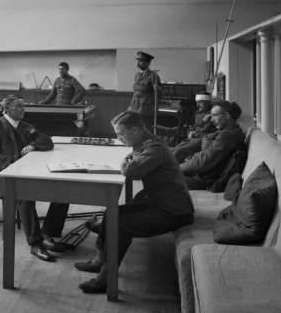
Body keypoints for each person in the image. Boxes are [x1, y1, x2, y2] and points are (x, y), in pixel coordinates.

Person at [75, 110, 194, 294]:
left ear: (136, 130)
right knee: (112, 212)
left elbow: (130, 171)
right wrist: (130, 159)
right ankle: (99, 260)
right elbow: (134, 161)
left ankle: (105, 279)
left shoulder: (154, 149)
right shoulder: (145, 143)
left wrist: (126, 161)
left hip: (174, 210)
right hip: (160, 200)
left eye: (121, 134)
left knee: (121, 225)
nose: (118, 138)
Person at [0, 95, 68, 262]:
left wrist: (33, 145)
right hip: (3, 178)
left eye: (23, 106)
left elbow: (47, 141)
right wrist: (14, 164)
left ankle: (47, 233)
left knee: (62, 191)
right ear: (6, 109)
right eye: (18, 106)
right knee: (24, 196)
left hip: (28, 175)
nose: (23, 109)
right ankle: (35, 244)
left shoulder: (26, 126)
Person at [178, 99, 245, 189]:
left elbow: (203, 162)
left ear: (226, 115)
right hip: (201, 174)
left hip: (202, 179)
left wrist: (176, 168)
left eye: (214, 116)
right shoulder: (228, 132)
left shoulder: (228, 135)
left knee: (161, 177)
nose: (211, 120)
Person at [172, 92, 215, 161]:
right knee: (174, 149)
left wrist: (194, 132)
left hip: (200, 139)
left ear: (207, 102)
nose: (197, 105)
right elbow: (194, 126)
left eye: (200, 102)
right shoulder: (197, 113)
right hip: (192, 137)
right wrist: (191, 131)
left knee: (178, 151)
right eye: (197, 102)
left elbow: (205, 130)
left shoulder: (211, 114)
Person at [128, 51, 161, 126]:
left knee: (144, 130)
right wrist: (130, 106)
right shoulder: (137, 75)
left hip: (145, 109)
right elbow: (135, 92)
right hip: (135, 107)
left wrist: (157, 89)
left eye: (141, 61)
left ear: (148, 63)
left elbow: (159, 92)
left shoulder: (153, 75)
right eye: (138, 61)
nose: (139, 63)